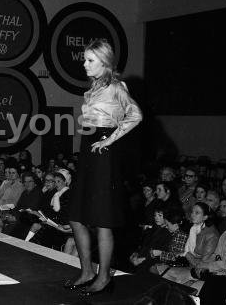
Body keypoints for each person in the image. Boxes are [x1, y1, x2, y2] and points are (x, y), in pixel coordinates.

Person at [64, 39, 142, 295]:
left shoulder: (117, 86)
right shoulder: (95, 86)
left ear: (105, 62)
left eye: (90, 60)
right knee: (76, 217)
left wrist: (109, 139)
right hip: (89, 152)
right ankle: (87, 270)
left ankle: (104, 276)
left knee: (102, 220)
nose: (84, 64)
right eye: (84, 59)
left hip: (104, 154)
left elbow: (135, 115)